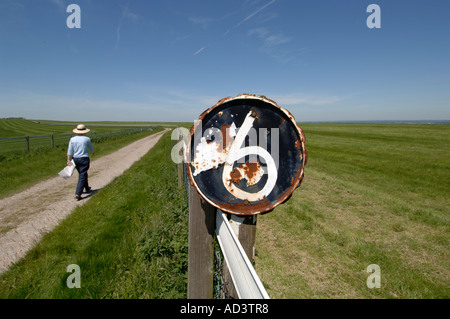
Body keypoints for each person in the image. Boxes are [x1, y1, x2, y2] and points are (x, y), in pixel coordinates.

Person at [67, 124, 95, 200]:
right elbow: (91, 148)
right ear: (84, 131)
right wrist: (92, 152)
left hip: (75, 159)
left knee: (83, 173)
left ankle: (87, 188)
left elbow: (70, 150)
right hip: (84, 159)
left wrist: (68, 160)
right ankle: (78, 193)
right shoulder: (87, 139)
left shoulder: (72, 139)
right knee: (82, 175)